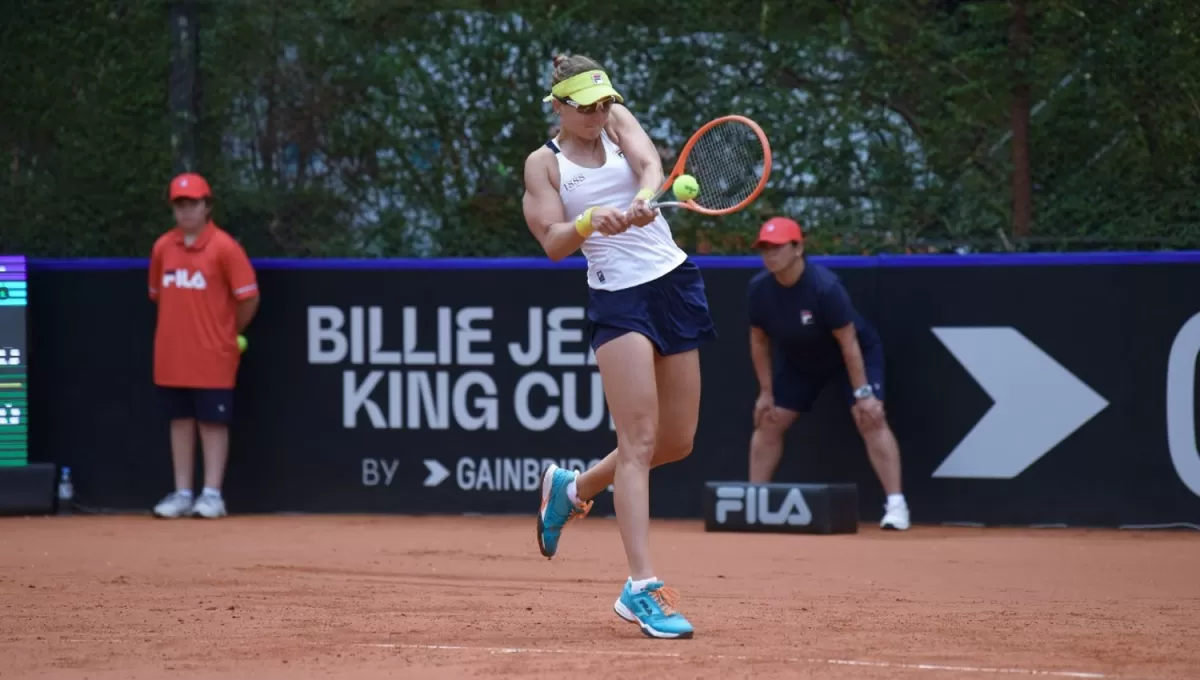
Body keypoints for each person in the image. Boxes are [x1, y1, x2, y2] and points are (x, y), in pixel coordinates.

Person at [520, 53, 716, 639]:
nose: (599, 115)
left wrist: (646, 195)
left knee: (677, 442)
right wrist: (589, 223)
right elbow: (553, 242)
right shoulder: (543, 165)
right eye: (587, 108)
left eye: (605, 104)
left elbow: (649, 162)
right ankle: (641, 587)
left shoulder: (617, 122)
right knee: (639, 441)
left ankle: (573, 489)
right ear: (558, 106)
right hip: (618, 300)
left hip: (674, 283)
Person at [745, 216, 910, 531]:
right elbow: (758, 341)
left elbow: (848, 344)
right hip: (801, 361)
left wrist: (863, 395)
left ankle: (896, 505)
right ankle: (755, 504)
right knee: (769, 420)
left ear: (798, 248)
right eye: (764, 248)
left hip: (851, 356)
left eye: (777, 247)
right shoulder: (758, 289)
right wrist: (765, 392)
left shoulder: (824, 287)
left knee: (870, 419)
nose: (769, 254)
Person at [148, 172, 259, 520]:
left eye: (192, 203)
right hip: (171, 354)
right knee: (179, 421)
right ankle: (183, 492)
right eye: (179, 204)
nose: (186, 211)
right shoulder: (163, 247)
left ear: (207, 206)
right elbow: (156, 296)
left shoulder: (225, 248)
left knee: (213, 423)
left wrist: (227, 333)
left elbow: (248, 298)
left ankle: (212, 494)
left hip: (214, 354)